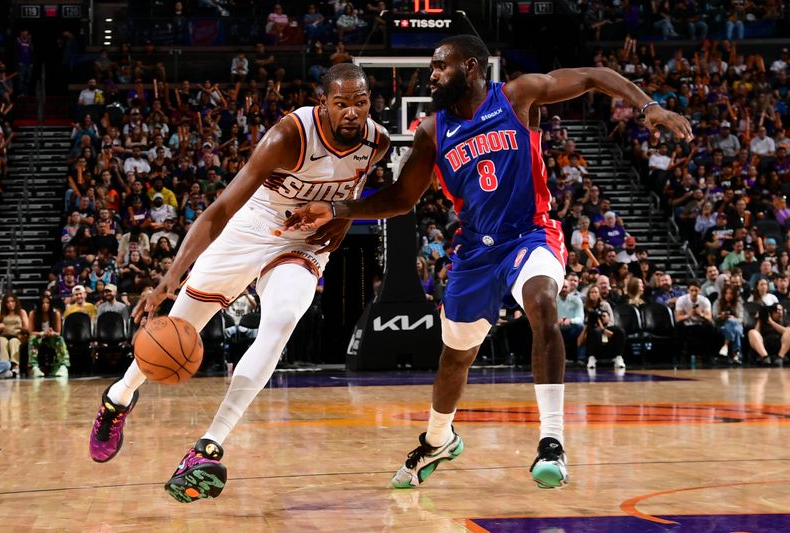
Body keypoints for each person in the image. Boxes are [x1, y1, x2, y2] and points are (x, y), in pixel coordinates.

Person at [284, 35, 691, 489]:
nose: (433, 74)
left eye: (441, 66)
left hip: (530, 234)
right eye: (432, 68)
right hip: (475, 251)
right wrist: (340, 209)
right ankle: (438, 439)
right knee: (455, 359)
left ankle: (551, 440)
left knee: (543, 306)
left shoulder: (518, 96)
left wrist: (647, 105)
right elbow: (401, 198)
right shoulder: (432, 131)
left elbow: (593, 76)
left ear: (471, 67)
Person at [88, 63, 390, 503]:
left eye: (359, 103)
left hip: (305, 242)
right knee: (178, 328)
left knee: (283, 319)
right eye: (341, 103)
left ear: (369, 102)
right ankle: (119, 397)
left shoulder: (376, 142)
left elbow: (352, 187)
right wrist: (170, 278)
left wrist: (344, 215)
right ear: (322, 102)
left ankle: (208, 447)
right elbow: (220, 209)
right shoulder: (288, 137)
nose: (351, 112)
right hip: (253, 226)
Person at [27, 294, 70, 378]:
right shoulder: (33, 314)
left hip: (51, 338)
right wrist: (42, 333)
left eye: (47, 303)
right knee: (32, 339)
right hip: (39, 337)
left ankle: (63, 366)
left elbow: (58, 333)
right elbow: (31, 332)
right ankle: (34, 367)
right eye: (43, 303)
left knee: (60, 339)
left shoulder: (56, 314)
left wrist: (52, 333)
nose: (45, 305)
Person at [0, 293, 29, 378]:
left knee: (13, 341)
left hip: (17, 336)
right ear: (5, 304)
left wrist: (21, 328)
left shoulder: (21, 312)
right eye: (8, 302)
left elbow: (28, 329)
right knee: (2, 341)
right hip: (4, 335)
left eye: (12, 301)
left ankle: (15, 366)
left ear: (16, 302)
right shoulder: (1, 313)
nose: (10, 304)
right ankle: (4, 366)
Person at [712, 284, 745, 365]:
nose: (729, 295)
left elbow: (741, 319)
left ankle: (725, 346)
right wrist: (722, 316)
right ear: (723, 294)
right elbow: (714, 316)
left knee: (733, 322)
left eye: (731, 293)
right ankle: (736, 355)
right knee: (736, 330)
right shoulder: (717, 302)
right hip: (722, 325)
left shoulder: (738, 303)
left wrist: (733, 319)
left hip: (736, 325)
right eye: (727, 293)